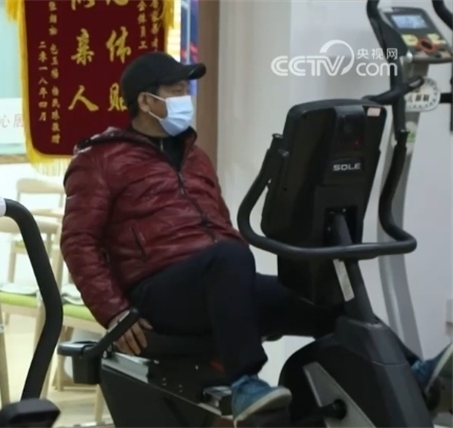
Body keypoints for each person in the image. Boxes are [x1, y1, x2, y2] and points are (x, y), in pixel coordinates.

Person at [59, 51, 453, 422]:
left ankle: (412, 373)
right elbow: (78, 242)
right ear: (146, 102)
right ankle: (244, 384)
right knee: (231, 258)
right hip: (157, 291)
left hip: (218, 279)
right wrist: (115, 312)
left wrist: (243, 297)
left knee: (324, 295)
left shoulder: (195, 155)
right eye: (176, 91)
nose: (185, 99)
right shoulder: (100, 159)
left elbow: (219, 224)